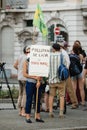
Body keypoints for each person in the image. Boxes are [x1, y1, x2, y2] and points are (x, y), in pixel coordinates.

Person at [23, 48, 44, 123]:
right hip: (30, 83)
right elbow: (24, 74)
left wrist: (39, 80)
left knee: (38, 100)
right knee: (29, 100)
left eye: (30, 51)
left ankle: (37, 116)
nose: (28, 52)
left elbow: (42, 71)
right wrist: (34, 77)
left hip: (38, 83)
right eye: (27, 51)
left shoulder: (39, 61)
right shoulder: (26, 62)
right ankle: (27, 116)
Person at [57, 41, 78, 109]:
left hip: (64, 71)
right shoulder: (61, 52)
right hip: (62, 71)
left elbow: (68, 63)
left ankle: (74, 103)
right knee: (66, 88)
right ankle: (61, 102)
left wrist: (65, 70)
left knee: (69, 88)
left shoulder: (63, 53)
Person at [48, 43, 67, 118]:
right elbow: (65, 66)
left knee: (51, 96)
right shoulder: (62, 56)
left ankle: (50, 112)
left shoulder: (49, 56)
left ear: (53, 49)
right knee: (62, 96)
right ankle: (61, 113)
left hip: (52, 80)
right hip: (60, 80)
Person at [13, 46, 30, 116]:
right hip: (25, 77)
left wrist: (19, 70)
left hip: (19, 77)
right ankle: (23, 111)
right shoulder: (28, 58)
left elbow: (14, 65)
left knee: (20, 94)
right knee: (25, 94)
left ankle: (20, 111)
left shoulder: (20, 56)